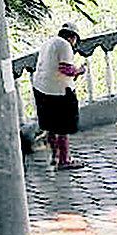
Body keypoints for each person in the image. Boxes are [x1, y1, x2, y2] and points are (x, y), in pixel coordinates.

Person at [31, 23, 87, 169]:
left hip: (41, 88)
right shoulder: (65, 45)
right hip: (59, 91)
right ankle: (64, 160)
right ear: (73, 37)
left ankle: (55, 156)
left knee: (50, 125)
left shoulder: (48, 43)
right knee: (63, 127)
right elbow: (66, 69)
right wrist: (80, 70)